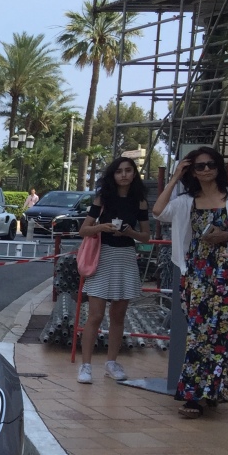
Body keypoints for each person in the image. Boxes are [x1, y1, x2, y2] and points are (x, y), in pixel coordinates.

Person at [153, 147, 228, 418]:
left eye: (210, 164)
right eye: (199, 166)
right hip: (197, 272)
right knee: (198, 336)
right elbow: (159, 212)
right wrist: (174, 178)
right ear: (191, 171)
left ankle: (210, 393)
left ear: (219, 167)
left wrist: (227, 234)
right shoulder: (187, 201)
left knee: (223, 336)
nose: (206, 169)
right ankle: (197, 394)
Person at [76, 157, 151, 385]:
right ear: (113, 175)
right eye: (119, 171)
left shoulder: (139, 202)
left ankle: (111, 363)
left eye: (129, 171)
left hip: (126, 257)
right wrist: (102, 227)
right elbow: (83, 230)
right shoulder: (103, 199)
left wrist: (129, 233)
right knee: (95, 315)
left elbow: (146, 236)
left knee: (118, 316)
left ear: (134, 174)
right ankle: (85, 366)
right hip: (103, 256)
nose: (124, 175)